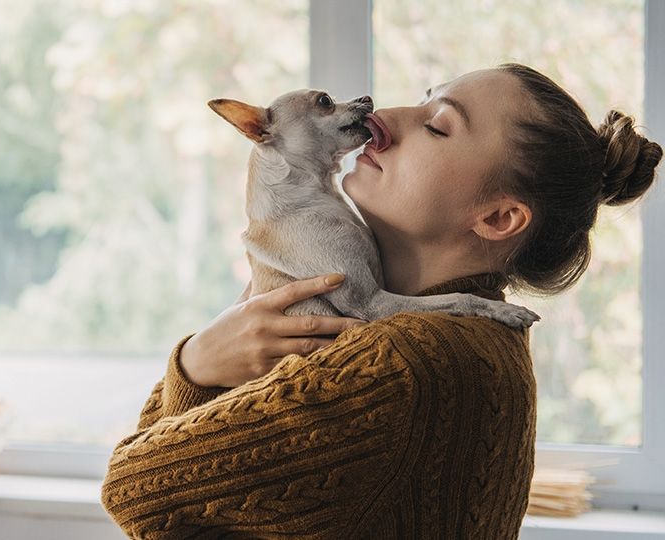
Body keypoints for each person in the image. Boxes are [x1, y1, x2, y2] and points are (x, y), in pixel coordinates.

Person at [100, 63, 662, 539]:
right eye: (423, 100)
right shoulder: (474, 341)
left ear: (497, 218)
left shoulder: (403, 362)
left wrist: (195, 365)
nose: (385, 118)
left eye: (438, 127)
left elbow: (132, 488)